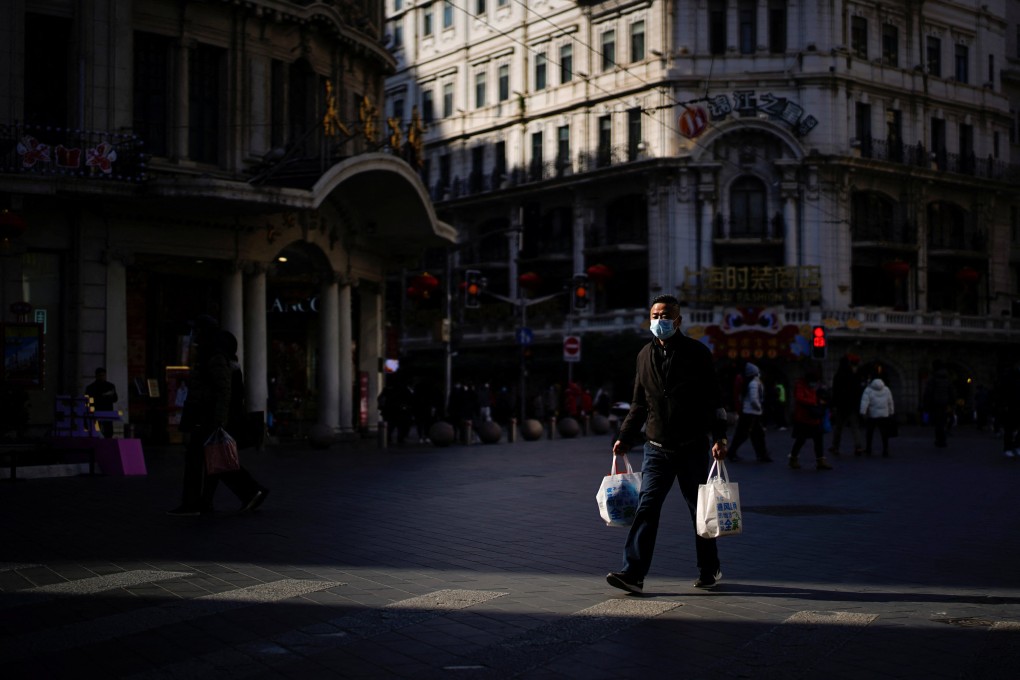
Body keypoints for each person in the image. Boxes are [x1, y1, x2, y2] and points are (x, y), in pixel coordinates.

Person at [606, 294, 729, 594]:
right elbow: (639, 403)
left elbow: (714, 399)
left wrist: (720, 437)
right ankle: (632, 573)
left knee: (698, 511)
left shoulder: (697, 353)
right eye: (654, 315)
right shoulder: (643, 356)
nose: (659, 321)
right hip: (656, 448)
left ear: (678, 320)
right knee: (646, 508)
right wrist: (624, 436)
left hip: (692, 446)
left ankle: (709, 569)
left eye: (665, 316)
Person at [169, 316, 267, 516]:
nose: (194, 336)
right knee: (214, 460)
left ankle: (199, 502)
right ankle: (202, 502)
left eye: (198, 332)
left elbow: (223, 391)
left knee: (207, 460)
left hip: (209, 418)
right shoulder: (212, 356)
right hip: (207, 417)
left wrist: (219, 422)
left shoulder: (215, 357)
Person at [200, 330, 269, 511]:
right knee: (215, 460)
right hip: (227, 419)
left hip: (222, 420)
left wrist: (219, 421)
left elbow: (224, 395)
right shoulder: (232, 365)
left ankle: (252, 490)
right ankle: (206, 501)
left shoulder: (222, 364)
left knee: (219, 461)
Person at [789, 368, 833, 470]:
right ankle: (793, 459)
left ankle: (820, 461)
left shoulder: (813, 386)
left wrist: (819, 401)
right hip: (803, 418)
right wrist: (812, 402)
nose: (814, 383)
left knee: (818, 440)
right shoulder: (800, 385)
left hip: (814, 417)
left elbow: (815, 396)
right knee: (801, 439)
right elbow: (799, 398)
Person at [727, 362, 772, 462]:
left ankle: (761, 454)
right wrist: (759, 407)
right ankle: (760, 454)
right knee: (748, 434)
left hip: (749, 412)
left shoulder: (749, 382)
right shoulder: (754, 383)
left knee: (752, 434)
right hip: (751, 412)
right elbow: (754, 399)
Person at [829, 354, 865, 456]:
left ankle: (835, 447)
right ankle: (858, 446)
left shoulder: (838, 375)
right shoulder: (854, 375)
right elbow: (858, 390)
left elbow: (835, 391)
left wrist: (834, 404)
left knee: (839, 427)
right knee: (855, 426)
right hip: (852, 404)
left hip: (841, 404)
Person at [859, 371, 896, 457]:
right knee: (884, 433)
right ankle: (885, 450)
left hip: (873, 414)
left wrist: (863, 412)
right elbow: (890, 402)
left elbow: (864, 402)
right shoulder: (886, 389)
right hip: (884, 415)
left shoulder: (868, 390)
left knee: (869, 433)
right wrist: (891, 412)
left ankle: (868, 449)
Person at [923, 360, 955, 448]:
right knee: (943, 421)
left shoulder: (933, 379)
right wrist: (951, 403)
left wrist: (926, 404)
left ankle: (939, 440)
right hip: (945, 403)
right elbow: (951, 392)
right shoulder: (947, 379)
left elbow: (928, 392)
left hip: (936, 403)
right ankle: (943, 439)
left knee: (938, 422)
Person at [85, 367, 118, 438]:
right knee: (96, 430)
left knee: (108, 430)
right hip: (96, 412)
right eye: (100, 376)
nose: (102, 377)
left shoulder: (110, 386)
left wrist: (106, 396)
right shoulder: (91, 387)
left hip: (107, 411)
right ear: (96, 376)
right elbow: (88, 400)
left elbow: (115, 398)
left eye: (103, 375)